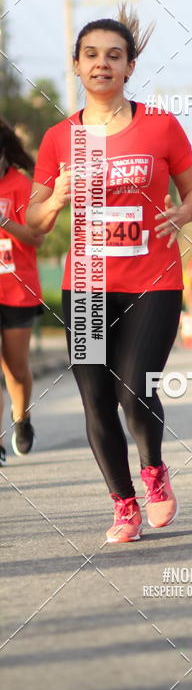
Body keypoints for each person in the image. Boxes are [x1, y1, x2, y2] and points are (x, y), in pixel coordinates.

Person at [27, 7, 192, 543]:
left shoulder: (161, 126)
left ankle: (153, 471)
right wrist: (55, 198)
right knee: (96, 400)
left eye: (114, 55)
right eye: (91, 55)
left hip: (152, 279)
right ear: (76, 67)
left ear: (129, 67)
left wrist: (185, 211)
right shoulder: (61, 138)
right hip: (85, 284)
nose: (102, 64)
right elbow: (34, 222)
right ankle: (123, 502)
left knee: (135, 387)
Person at [0, 120, 44, 464]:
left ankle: (21, 418)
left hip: (18, 288)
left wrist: (4, 223)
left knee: (15, 368)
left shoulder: (21, 186)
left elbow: (36, 237)